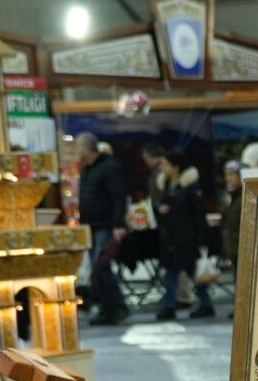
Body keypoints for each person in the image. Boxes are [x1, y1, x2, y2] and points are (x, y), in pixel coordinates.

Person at [142, 145, 216, 321]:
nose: (163, 168)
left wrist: (200, 238)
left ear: (176, 167)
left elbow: (198, 214)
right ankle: (170, 306)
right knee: (171, 273)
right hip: (171, 238)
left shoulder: (190, 187)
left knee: (192, 273)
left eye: (166, 165)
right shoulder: (168, 186)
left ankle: (205, 304)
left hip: (187, 238)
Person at [74, 133, 131, 326]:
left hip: (105, 225)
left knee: (101, 267)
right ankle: (110, 308)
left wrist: (118, 224)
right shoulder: (88, 170)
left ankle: (116, 306)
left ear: (88, 148)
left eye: (78, 147)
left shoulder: (108, 167)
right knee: (98, 269)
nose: (76, 151)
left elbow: (118, 197)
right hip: (92, 225)